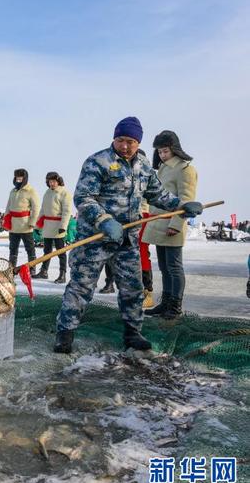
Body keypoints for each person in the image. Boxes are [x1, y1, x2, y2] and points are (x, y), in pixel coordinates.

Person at [53, 117, 203, 354]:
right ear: (114, 138)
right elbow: (83, 198)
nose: (125, 146)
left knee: (133, 288)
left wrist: (182, 206)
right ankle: (65, 333)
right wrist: (104, 220)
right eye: (121, 140)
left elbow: (158, 195)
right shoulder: (97, 162)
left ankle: (133, 332)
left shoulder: (143, 166)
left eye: (131, 141)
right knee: (81, 287)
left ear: (138, 142)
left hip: (127, 241)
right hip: (95, 239)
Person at [142, 130, 198, 321]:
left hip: (172, 224)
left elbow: (186, 199)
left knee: (174, 267)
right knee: (164, 267)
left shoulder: (185, 169)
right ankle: (165, 303)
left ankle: (175, 306)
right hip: (157, 223)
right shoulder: (163, 168)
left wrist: (176, 223)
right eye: (159, 152)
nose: (162, 155)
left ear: (175, 149)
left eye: (165, 151)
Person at [33, 172, 71, 283]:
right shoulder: (47, 193)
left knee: (60, 251)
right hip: (48, 225)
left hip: (58, 226)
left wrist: (63, 226)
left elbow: (67, 211)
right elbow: (43, 210)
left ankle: (62, 274)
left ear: (58, 181)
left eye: (54, 181)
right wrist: (37, 224)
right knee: (47, 251)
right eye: (50, 181)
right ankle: (44, 271)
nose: (52, 183)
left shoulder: (64, 193)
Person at [4, 168, 40, 275]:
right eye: (17, 177)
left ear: (25, 178)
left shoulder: (31, 191)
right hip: (14, 226)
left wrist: (32, 222)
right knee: (13, 248)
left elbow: (36, 207)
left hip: (26, 225)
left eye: (20, 178)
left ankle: (32, 269)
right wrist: (6, 221)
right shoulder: (13, 191)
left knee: (30, 249)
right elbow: (8, 207)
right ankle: (11, 268)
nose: (18, 179)